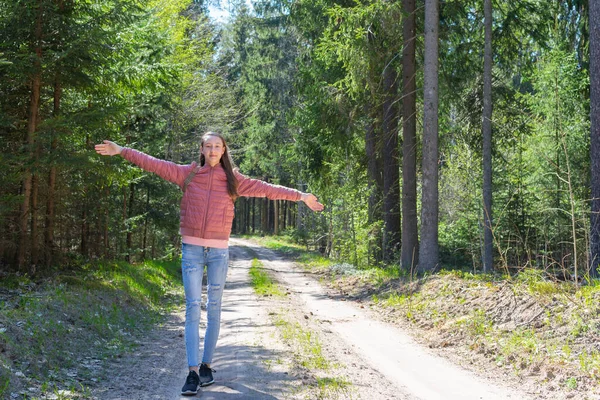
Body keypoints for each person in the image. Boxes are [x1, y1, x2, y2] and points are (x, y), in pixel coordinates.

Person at [95, 132, 324, 396]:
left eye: (218, 146)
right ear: (202, 150)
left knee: (214, 307)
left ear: (224, 149)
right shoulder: (187, 174)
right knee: (193, 307)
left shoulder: (234, 180)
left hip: (219, 251)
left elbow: (267, 189)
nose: (213, 150)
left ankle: (206, 366)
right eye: (208, 146)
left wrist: (301, 196)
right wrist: (122, 150)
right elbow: (154, 163)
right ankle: (192, 372)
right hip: (191, 248)